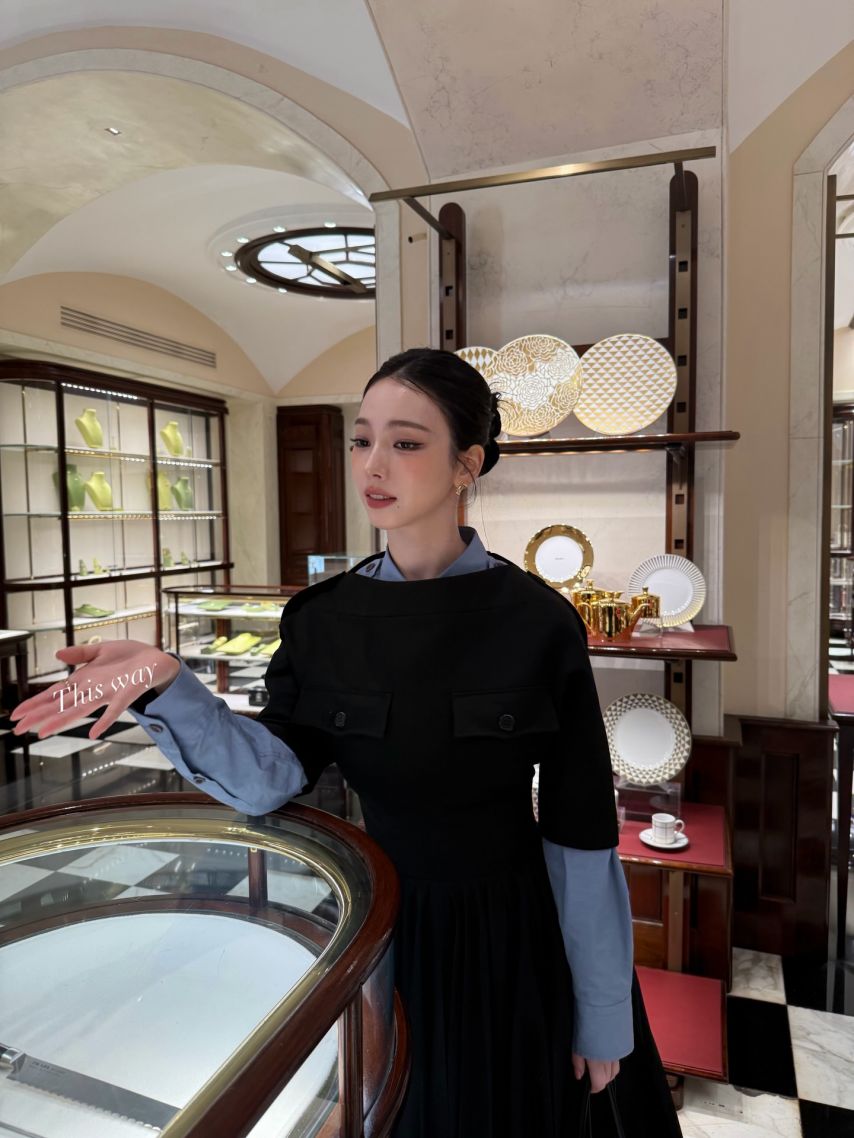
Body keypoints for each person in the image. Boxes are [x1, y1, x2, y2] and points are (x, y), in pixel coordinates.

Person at [12, 348, 682, 1138]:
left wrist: (602, 1012)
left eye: (406, 442)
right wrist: (168, 684)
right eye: (362, 440)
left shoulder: (537, 621)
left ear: (467, 464)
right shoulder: (323, 619)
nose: (373, 464)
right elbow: (269, 779)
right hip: (375, 923)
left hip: (510, 935)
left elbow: (580, 832)